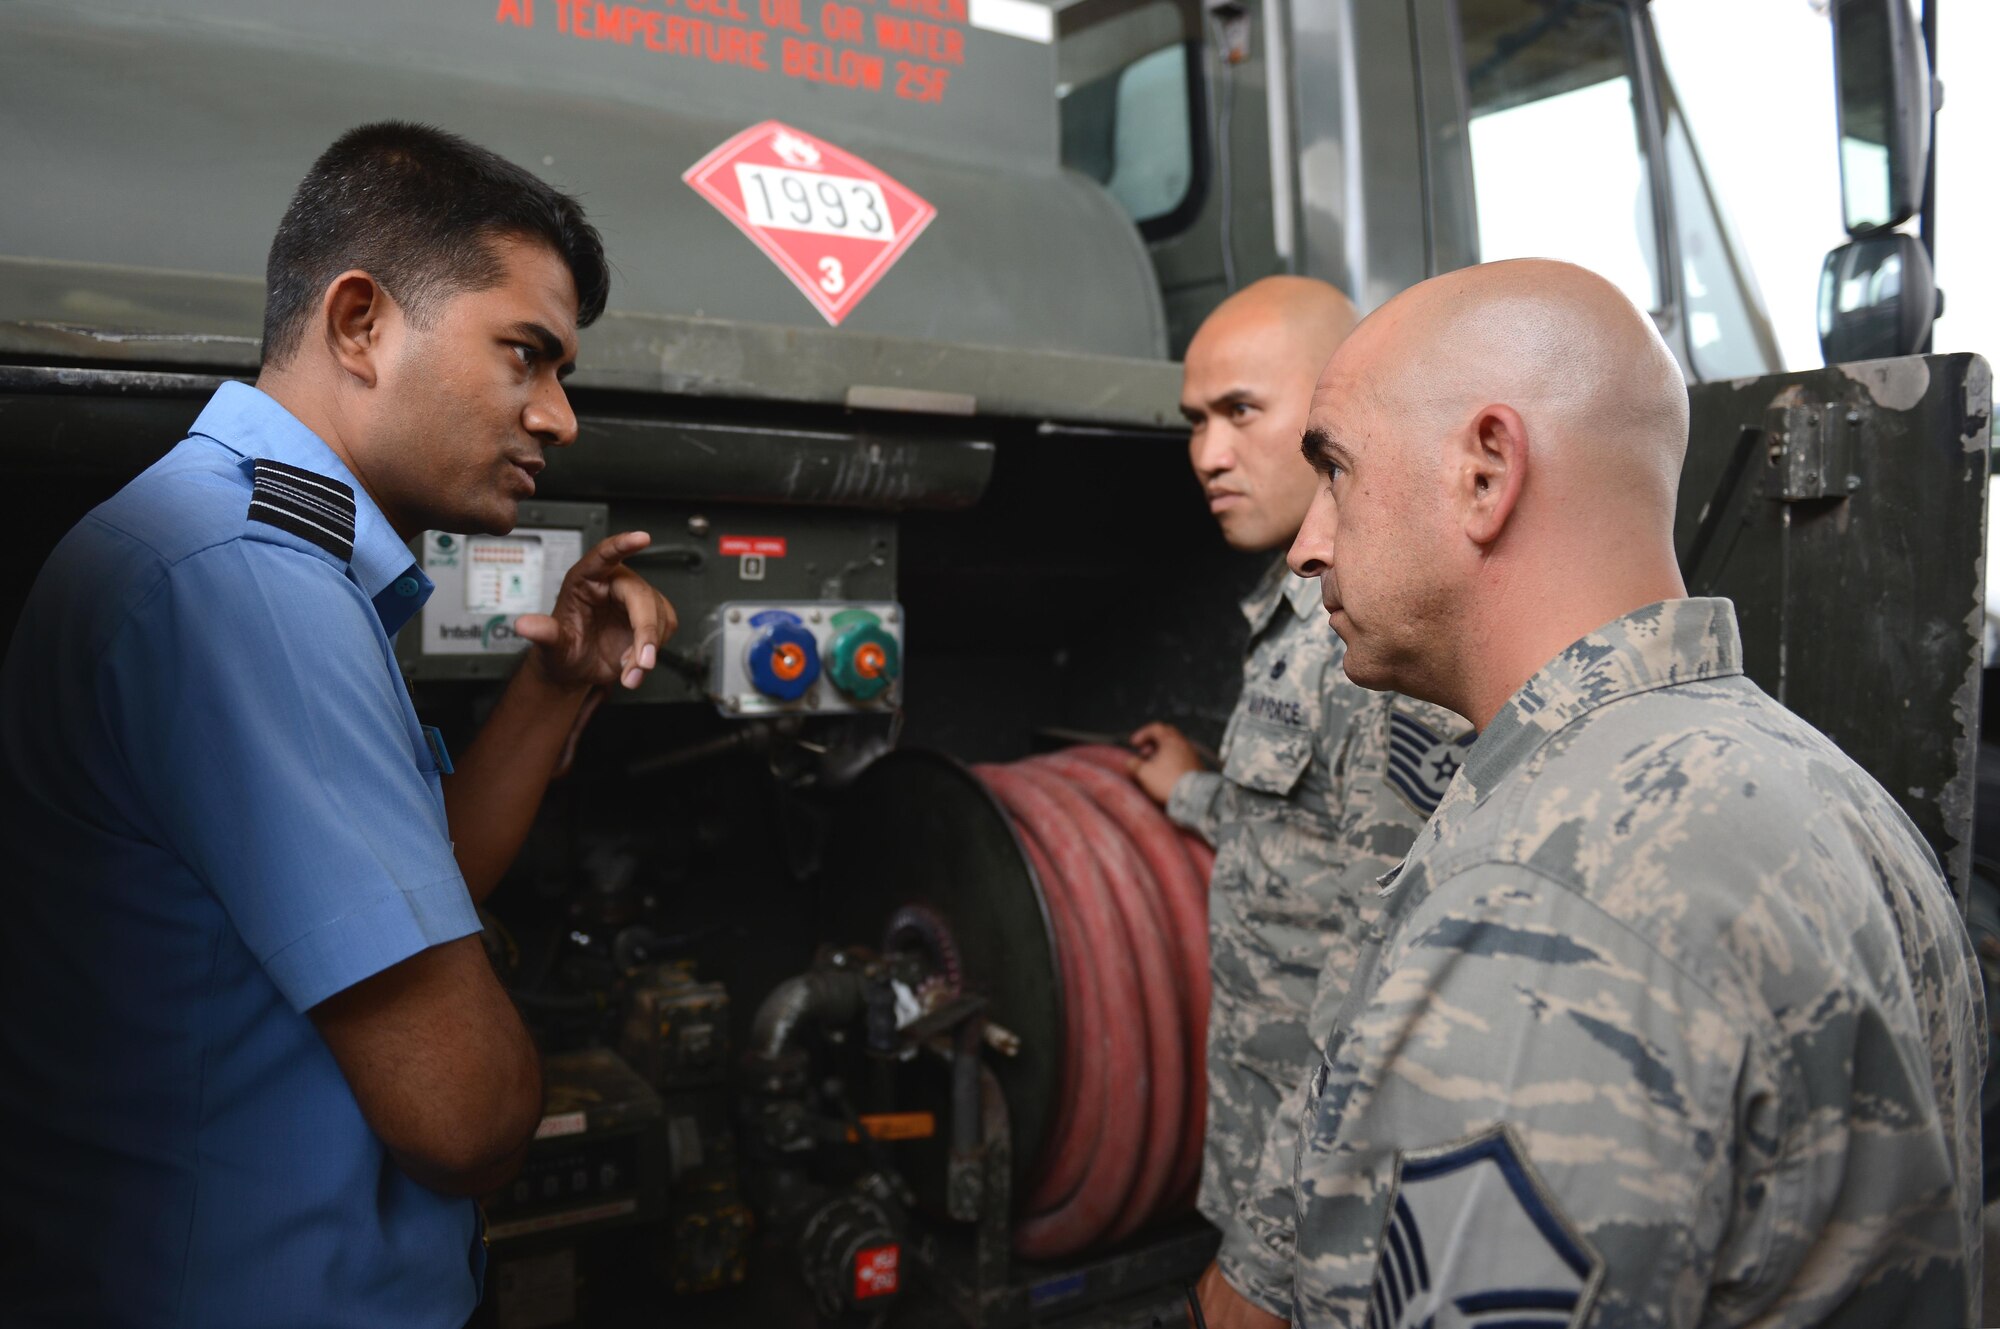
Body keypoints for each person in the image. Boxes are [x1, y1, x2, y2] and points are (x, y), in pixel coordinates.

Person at [1208, 258, 1985, 1326]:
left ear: (1485, 471)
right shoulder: (1832, 795)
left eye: (1335, 472)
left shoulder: (1543, 905)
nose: (1309, 545)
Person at [0, 123, 676, 1327]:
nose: (559, 416)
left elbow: (406, 888)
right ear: (360, 324)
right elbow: (466, 1122)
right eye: (527, 355)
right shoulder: (245, 583)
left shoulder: (238, 549)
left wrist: (555, 681)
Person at [1126, 277, 1474, 1316]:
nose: (1205, 454)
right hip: (1265, 1159)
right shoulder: (1297, 619)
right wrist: (1193, 789)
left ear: (1333, 414)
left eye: (1239, 412)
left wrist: (1264, 1260)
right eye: (1192, 421)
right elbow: (1308, 840)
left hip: (1328, 1212)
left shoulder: (1368, 646)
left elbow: (1392, 972)